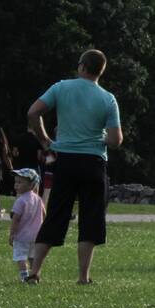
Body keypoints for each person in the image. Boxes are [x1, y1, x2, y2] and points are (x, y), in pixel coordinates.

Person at [26, 49, 122, 285]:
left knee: (56, 215)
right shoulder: (108, 98)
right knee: (90, 219)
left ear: (81, 67)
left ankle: (35, 272)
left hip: (65, 160)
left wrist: (45, 140)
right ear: (101, 71)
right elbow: (115, 140)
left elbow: (33, 112)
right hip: (94, 163)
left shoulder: (61, 88)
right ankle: (83, 277)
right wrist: (98, 136)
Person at [9, 168, 45, 282]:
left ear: (31, 185)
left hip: (21, 236)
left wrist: (12, 234)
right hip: (36, 235)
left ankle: (24, 277)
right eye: (15, 182)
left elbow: (15, 219)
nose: (16, 185)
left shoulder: (21, 201)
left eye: (20, 182)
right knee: (33, 257)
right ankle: (35, 275)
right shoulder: (38, 199)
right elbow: (44, 214)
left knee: (21, 257)